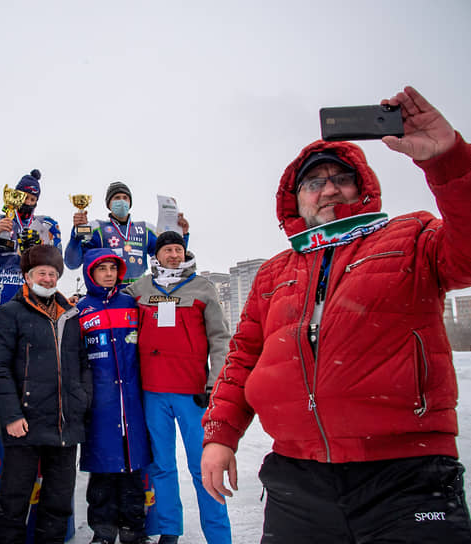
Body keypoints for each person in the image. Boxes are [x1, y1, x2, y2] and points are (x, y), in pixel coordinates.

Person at [201, 86, 471, 543]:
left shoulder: (412, 236)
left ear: (361, 187)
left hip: (407, 474)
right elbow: (242, 359)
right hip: (297, 479)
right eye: (313, 182)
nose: (327, 188)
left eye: (341, 178)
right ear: (296, 200)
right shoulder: (274, 272)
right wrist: (220, 435)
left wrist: (448, 161)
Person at [126, 231, 232, 544]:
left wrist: (215, 382)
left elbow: (220, 339)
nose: (173, 255)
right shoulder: (140, 288)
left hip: (193, 394)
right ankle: (169, 530)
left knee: (204, 469)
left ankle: (218, 536)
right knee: (162, 467)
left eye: (178, 249)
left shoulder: (202, 287)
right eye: (167, 250)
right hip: (153, 392)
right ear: (156, 254)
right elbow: (108, 300)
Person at [0, 244, 91, 544]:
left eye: (53, 274)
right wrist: (11, 415)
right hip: (25, 424)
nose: (47, 279)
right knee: (14, 500)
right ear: (27, 276)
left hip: (64, 424)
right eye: (41, 273)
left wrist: (82, 400)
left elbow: (82, 363)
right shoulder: (10, 313)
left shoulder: (70, 315)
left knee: (58, 502)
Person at [77, 248, 152, 544]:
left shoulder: (131, 304)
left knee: (133, 467)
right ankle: (103, 531)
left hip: (132, 397)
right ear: (90, 273)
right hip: (99, 401)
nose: (108, 274)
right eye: (101, 269)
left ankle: (134, 529)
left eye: (112, 268)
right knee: (103, 468)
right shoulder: (81, 309)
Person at [0, 169, 62, 312]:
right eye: (24, 197)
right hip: (1, 292)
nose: (28, 202)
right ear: (15, 195)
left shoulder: (47, 225)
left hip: (35, 293)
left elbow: (58, 263)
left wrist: (41, 248)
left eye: (32, 199)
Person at [64, 181, 189, 288]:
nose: (122, 201)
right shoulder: (96, 228)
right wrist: (76, 235)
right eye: (117, 198)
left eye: (125, 198)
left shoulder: (145, 229)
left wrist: (182, 235)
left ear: (130, 202)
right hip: (108, 292)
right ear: (109, 204)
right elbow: (72, 263)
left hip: (139, 291)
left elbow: (171, 259)